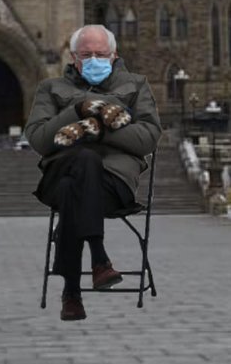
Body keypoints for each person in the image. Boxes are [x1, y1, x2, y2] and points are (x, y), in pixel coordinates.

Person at [25, 24, 162, 321]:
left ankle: (71, 293)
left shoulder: (136, 85)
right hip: (60, 173)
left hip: (112, 185)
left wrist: (96, 132)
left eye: (100, 53)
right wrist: (78, 110)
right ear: (74, 57)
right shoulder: (50, 89)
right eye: (87, 54)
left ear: (113, 55)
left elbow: (148, 138)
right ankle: (99, 258)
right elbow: (38, 140)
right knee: (82, 163)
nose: (94, 59)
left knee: (74, 183)